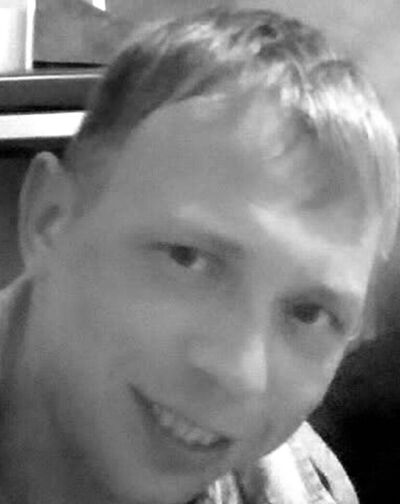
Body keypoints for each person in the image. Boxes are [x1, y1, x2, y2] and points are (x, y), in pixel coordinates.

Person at [0, 7, 398, 504]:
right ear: (49, 220)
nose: (240, 374)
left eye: (309, 313)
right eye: (188, 259)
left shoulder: (302, 490)